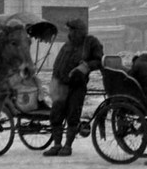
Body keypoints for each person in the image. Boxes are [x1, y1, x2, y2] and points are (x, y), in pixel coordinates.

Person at [43, 18, 104, 156]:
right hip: (60, 84)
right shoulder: (67, 45)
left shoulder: (90, 42)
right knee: (56, 115)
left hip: (77, 86)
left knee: (72, 116)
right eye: (70, 30)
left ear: (80, 31)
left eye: (72, 30)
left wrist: (86, 66)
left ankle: (68, 146)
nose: (70, 32)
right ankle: (57, 145)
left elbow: (99, 60)